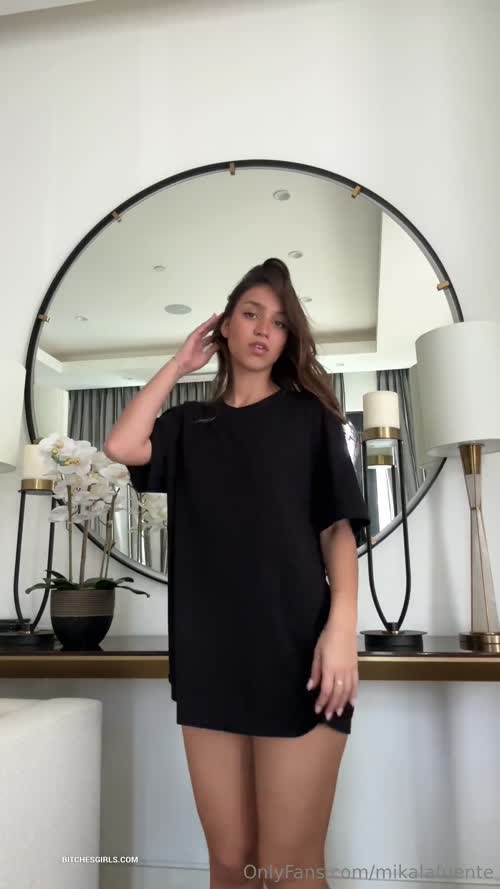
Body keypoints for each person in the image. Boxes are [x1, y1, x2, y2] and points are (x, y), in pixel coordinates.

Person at [104, 257, 369, 889]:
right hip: (210, 658)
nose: (264, 330)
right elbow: (121, 447)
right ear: (224, 325)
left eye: (279, 322)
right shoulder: (189, 425)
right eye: (251, 314)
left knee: (286, 866)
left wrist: (341, 630)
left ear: (288, 338)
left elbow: (336, 528)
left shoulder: (311, 418)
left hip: (297, 653)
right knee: (231, 862)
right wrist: (178, 365)